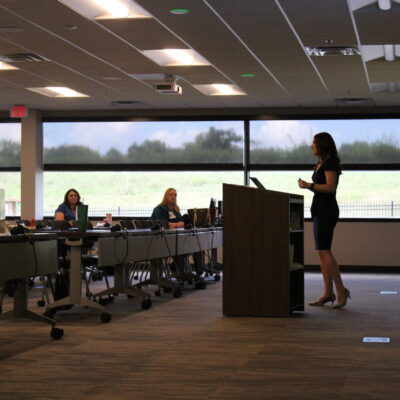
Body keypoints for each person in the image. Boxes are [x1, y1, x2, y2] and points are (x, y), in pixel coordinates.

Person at [298, 132, 350, 309]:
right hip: (318, 208)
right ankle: (328, 293)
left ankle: (341, 290)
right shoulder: (320, 163)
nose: (311, 146)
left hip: (327, 210)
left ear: (321, 145)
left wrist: (309, 185)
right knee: (322, 251)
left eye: (314, 143)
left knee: (325, 251)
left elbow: (330, 187)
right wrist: (310, 187)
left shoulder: (330, 163)